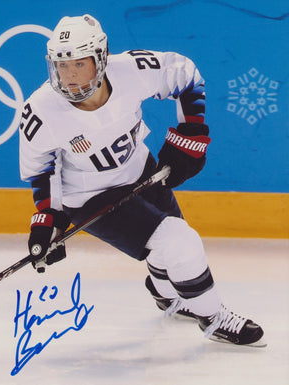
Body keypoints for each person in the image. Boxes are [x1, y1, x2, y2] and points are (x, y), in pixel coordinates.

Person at [18, 14, 265, 347]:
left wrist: (190, 132)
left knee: (171, 249)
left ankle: (165, 296)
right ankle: (214, 318)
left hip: (141, 171)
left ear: (101, 58)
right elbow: (42, 169)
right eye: (62, 67)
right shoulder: (41, 111)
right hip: (91, 197)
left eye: (79, 64)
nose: (70, 77)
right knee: (180, 241)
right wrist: (49, 218)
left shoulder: (131, 70)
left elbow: (186, 74)